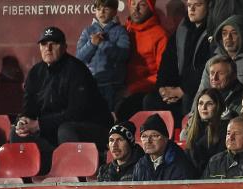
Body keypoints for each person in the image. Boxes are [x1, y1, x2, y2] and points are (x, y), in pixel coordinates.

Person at [13, 27, 113, 174]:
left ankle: (74, 174)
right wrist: (24, 120)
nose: (48, 48)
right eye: (44, 44)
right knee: (16, 132)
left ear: (65, 47)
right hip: (52, 129)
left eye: (54, 43)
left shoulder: (77, 70)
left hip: (92, 128)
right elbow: (29, 108)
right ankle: (27, 179)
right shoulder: (35, 72)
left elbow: (76, 114)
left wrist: (39, 124)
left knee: (66, 129)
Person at [144, 0, 212, 123]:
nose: (192, 9)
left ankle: (186, 137)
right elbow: (168, 61)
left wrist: (182, 90)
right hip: (176, 91)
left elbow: (206, 69)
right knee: (150, 100)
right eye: (190, 5)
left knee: (188, 100)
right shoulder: (182, 29)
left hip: (195, 91)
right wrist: (163, 88)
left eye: (198, 5)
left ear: (209, 7)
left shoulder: (212, 33)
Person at [76, 0, 131, 112]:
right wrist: (92, 44)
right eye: (98, 8)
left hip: (113, 86)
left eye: (106, 8)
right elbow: (79, 58)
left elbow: (123, 55)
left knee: (109, 118)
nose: (101, 11)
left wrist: (102, 43)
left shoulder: (121, 31)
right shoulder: (88, 31)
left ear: (115, 11)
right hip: (91, 84)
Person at [119, 0, 168, 120]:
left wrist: (132, 89)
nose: (136, 9)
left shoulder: (160, 35)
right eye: (133, 4)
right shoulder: (122, 31)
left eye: (142, 4)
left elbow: (162, 74)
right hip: (118, 88)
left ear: (151, 8)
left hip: (143, 92)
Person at [132, 113, 198, 181]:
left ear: (166, 139)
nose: (148, 141)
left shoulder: (179, 163)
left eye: (154, 136)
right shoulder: (140, 164)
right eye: (144, 136)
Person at [184, 88, 227, 174]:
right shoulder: (192, 129)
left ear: (218, 106)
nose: (204, 108)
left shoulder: (225, 129)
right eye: (200, 103)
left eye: (209, 104)